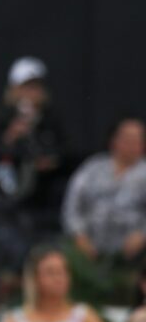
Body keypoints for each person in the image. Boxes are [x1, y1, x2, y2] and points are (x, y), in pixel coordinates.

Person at [62, 117, 146, 305]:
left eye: (136, 139)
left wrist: (142, 234)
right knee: (63, 255)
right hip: (88, 247)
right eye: (126, 138)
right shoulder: (92, 168)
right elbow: (72, 206)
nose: (131, 144)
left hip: (132, 251)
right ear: (113, 141)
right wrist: (79, 236)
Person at [0, 245, 114, 322]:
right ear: (35, 278)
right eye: (50, 272)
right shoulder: (15, 320)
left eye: (62, 271)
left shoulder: (82, 315)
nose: (58, 278)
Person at [0, 56, 65, 205]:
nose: (31, 93)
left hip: (45, 192)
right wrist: (10, 136)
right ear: (14, 90)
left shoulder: (51, 120)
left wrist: (51, 162)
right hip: (8, 194)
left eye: (35, 87)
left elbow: (64, 151)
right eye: (26, 87)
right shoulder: (1, 119)